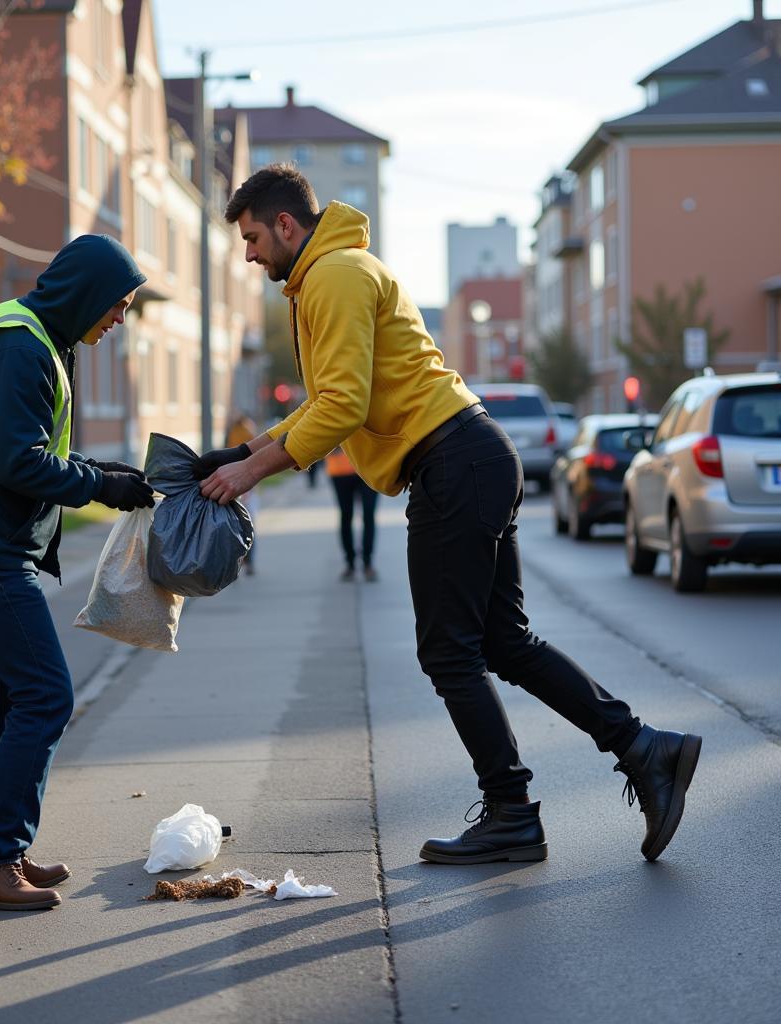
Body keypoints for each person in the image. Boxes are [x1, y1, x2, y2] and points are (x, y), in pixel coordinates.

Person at [196, 165, 700, 864]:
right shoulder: (337, 270)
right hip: (474, 453)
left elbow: (340, 407)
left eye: (252, 237)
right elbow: (333, 398)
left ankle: (513, 809)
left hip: (453, 464)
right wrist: (241, 449)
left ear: (285, 225)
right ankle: (644, 748)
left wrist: (249, 473)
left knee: (450, 651)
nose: (248, 254)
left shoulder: (334, 276)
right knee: (503, 642)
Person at [0, 235, 155, 909]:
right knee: (45, 695)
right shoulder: (20, 346)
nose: (119, 319)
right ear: (88, 295)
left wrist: (102, 474)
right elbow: (19, 462)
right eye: (118, 305)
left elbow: (24, 454)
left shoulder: (31, 336)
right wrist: (101, 486)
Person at [326, 447, 378, 581]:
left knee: (369, 514)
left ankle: (368, 563)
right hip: (340, 469)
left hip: (369, 467)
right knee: (346, 515)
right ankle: (350, 564)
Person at [225, 413, 259, 575]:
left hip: (234, 478)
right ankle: (249, 562)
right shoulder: (248, 429)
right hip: (245, 480)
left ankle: (237, 564)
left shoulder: (233, 431)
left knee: (235, 527)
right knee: (249, 525)